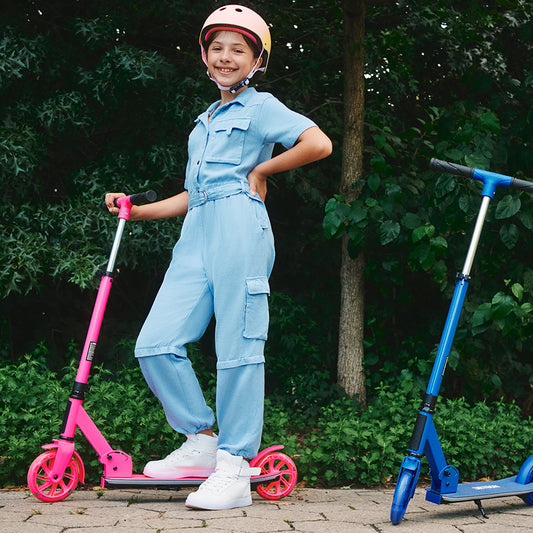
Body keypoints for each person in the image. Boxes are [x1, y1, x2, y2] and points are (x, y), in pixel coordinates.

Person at [105, 4, 332, 510]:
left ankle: (234, 467)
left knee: (239, 346)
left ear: (256, 61)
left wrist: (261, 172)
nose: (225, 56)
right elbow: (191, 194)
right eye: (217, 48)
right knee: (155, 343)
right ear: (205, 58)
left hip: (240, 228)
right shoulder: (202, 123)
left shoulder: (262, 106)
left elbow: (318, 143)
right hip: (197, 230)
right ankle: (201, 442)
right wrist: (137, 212)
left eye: (239, 48)